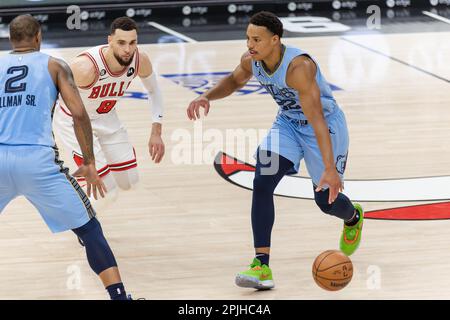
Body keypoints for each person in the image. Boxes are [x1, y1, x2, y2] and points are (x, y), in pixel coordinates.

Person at [186, 11, 364, 290]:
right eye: (248, 38)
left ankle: (352, 216)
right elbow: (234, 81)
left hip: (324, 126)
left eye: (256, 39)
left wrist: (330, 169)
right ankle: (261, 265)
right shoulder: (252, 61)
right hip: (289, 124)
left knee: (327, 202)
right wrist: (206, 96)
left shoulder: (299, 67)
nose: (250, 44)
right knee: (262, 180)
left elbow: (316, 117)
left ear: (275, 40)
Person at [0, 15, 130, 300]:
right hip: (38, 161)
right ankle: (119, 296)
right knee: (90, 230)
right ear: (38, 37)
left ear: (10, 40)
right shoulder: (54, 65)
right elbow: (79, 114)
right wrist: (89, 162)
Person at [53, 16, 165, 206]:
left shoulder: (140, 60)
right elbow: (52, 92)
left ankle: (104, 161)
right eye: (121, 43)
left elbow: (154, 91)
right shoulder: (86, 68)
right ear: (109, 41)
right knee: (106, 192)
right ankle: (82, 225)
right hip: (75, 122)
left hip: (106, 117)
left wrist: (156, 132)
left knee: (129, 181)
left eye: (132, 43)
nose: (128, 49)